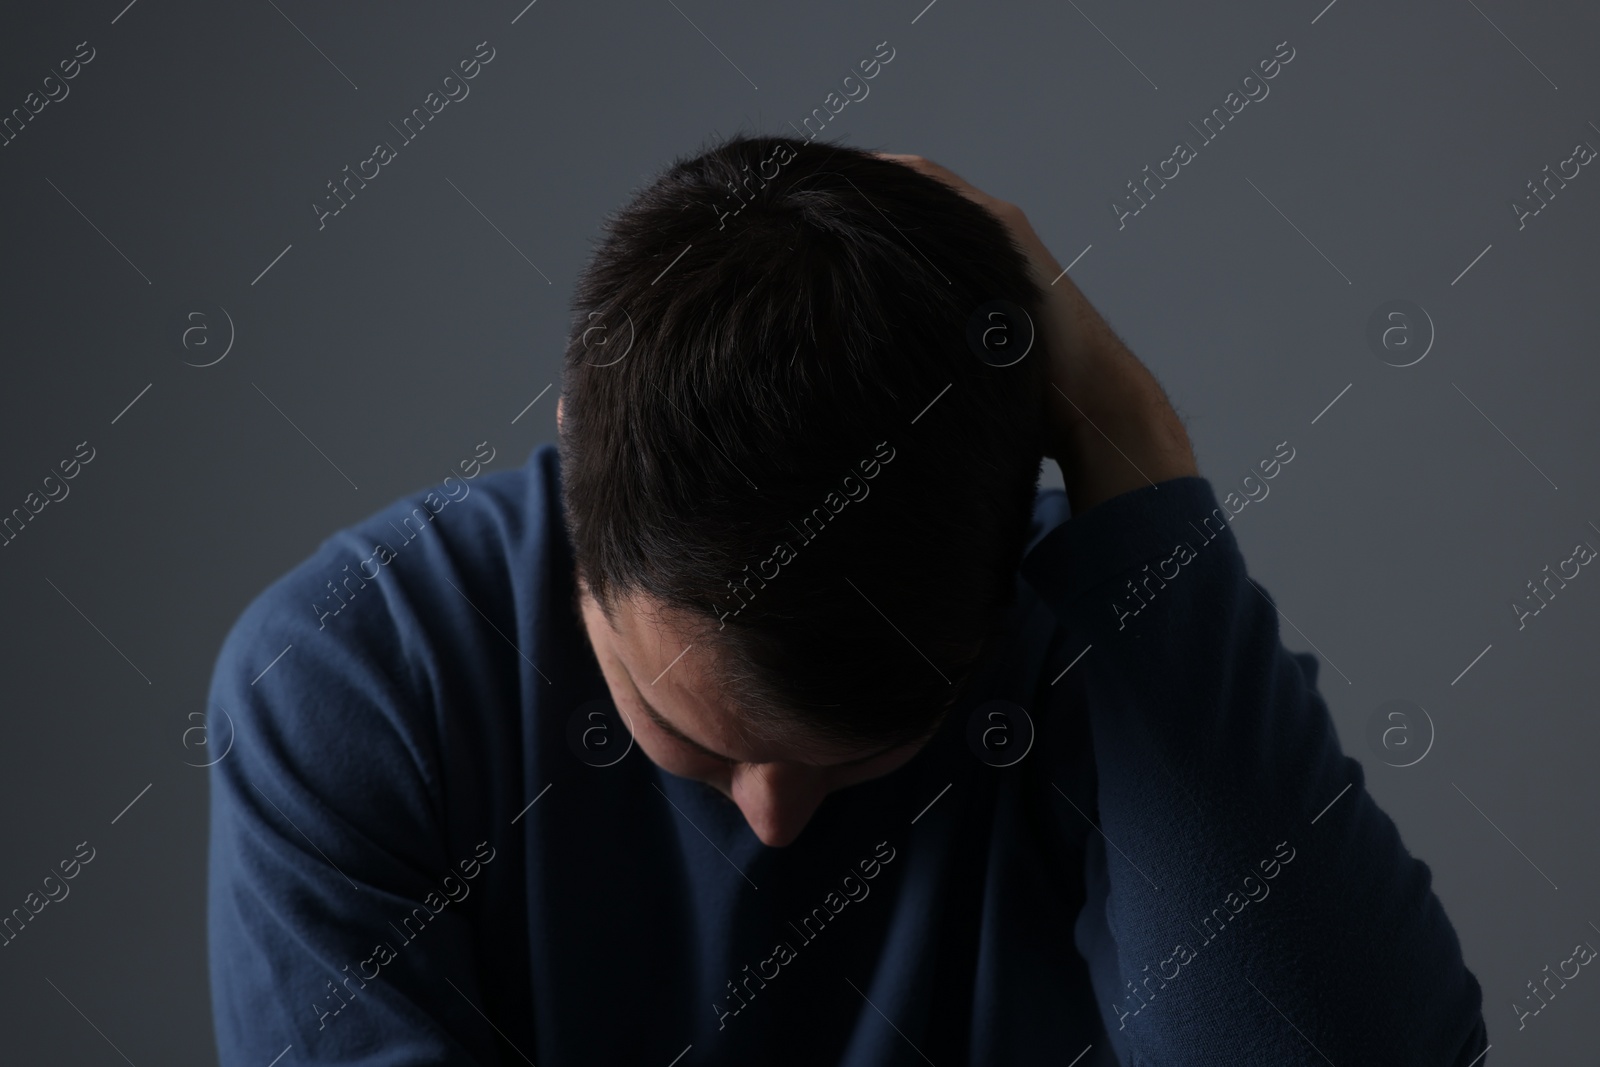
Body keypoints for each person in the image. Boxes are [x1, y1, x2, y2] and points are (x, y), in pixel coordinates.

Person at [206, 135, 1488, 1065]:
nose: (771, 819)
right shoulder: (349, 675)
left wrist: (1138, 460)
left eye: (871, 746)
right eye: (701, 735)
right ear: (581, 499)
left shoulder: (1110, 647)